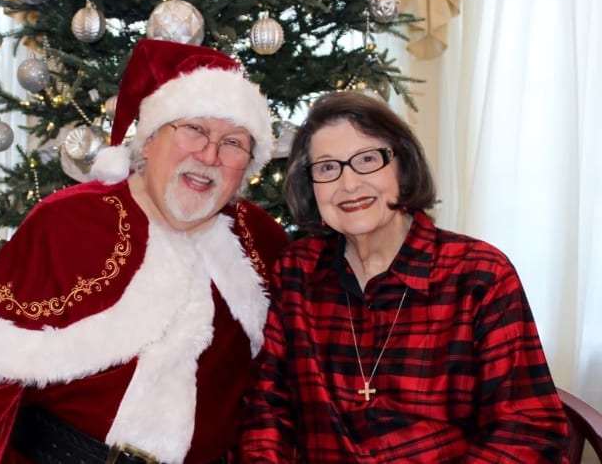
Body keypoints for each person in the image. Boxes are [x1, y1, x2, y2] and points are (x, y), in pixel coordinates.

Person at [0, 38, 289, 464]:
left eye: (233, 142)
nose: (209, 154)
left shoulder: (259, 240)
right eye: (194, 129)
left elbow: (275, 394)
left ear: (248, 166)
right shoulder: (68, 222)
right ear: (150, 139)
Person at [239, 90, 569, 463]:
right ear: (310, 186)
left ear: (403, 166)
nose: (348, 185)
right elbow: (268, 408)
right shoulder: (297, 271)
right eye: (328, 167)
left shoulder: (479, 275)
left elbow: (528, 427)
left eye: (367, 160)